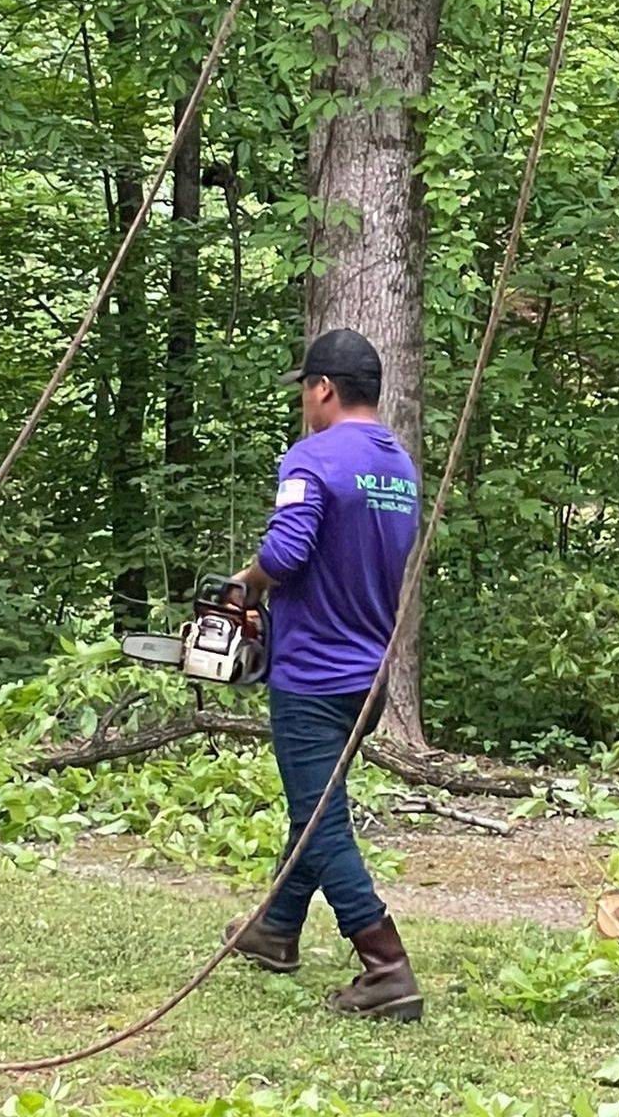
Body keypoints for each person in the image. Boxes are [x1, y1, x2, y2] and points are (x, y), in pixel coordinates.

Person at [222, 327, 424, 1023]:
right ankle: (275, 931)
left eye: (305, 391)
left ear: (324, 390)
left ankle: (385, 964)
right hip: (369, 676)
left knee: (320, 818)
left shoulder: (313, 456)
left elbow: (287, 549)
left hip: (312, 674)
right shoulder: (399, 465)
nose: (304, 404)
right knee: (318, 806)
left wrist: (243, 586)